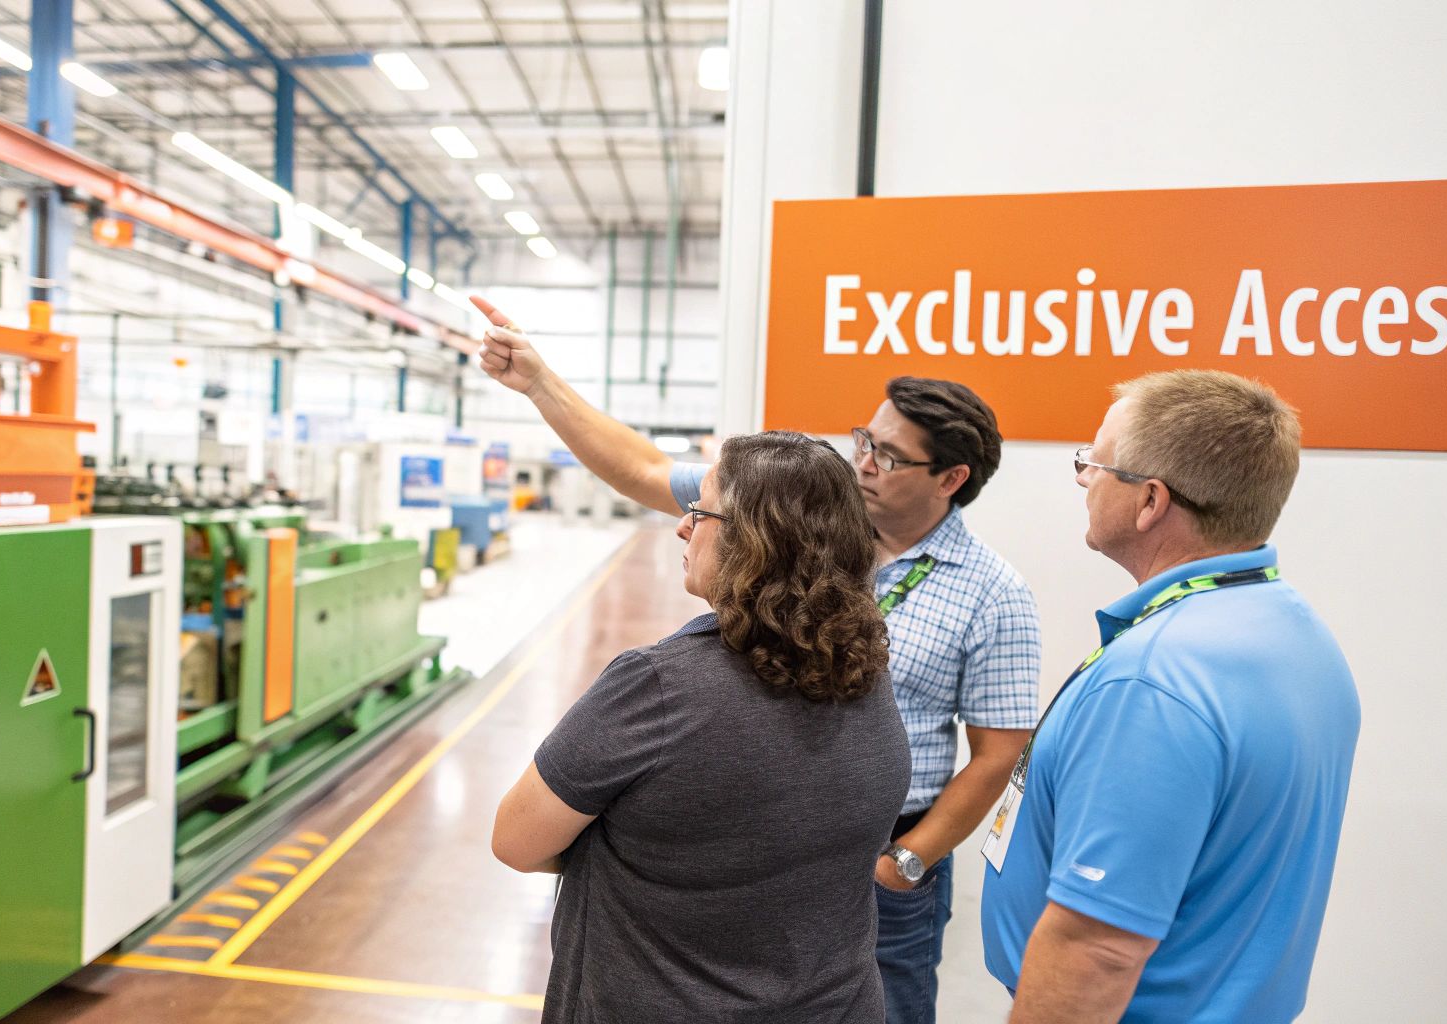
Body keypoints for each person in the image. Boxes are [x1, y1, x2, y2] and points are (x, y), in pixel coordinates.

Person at [471, 295, 1042, 1024]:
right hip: (728, 845)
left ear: (950, 479)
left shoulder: (991, 594)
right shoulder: (802, 502)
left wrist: (905, 861)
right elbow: (642, 466)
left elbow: (999, 755)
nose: (865, 463)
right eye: (865, 441)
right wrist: (539, 382)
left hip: (864, 853)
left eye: (889, 456)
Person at [977, 370, 1361, 1023]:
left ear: (1150, 501)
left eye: (1094, 463)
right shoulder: (1301, 638)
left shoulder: (1153, 682)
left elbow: (1097, 949)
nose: (1082, 479)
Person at [491, 431, 912, 1023]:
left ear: (755, 540)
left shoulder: (657, 687)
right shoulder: (865, 673)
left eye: (701, 511)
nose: (684, 527)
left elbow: (516, 840)